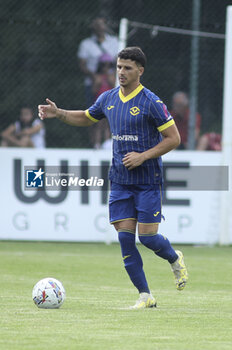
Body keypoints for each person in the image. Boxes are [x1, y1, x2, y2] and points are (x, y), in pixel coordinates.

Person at [38, 47, 188, 309]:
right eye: (119, 66)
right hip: (119, 180)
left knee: (149, 238)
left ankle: (175, 258)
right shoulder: (108, 98)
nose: (121, 72)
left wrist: (143, 156)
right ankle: (145, 295)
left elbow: (173, 138)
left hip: (147, 180)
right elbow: (87, 117)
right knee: (125, 239)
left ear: (140, 71)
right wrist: (60, 113)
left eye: (127, 68)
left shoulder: (151, 102)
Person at [77, 17, 119, 107]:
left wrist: (115, 75)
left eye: (102, 24)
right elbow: (82, 65)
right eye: (97, 25)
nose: (100, 28)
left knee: (112, 112)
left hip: (112, 82)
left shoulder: (114, 42)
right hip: (93, 83)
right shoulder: (86, 44)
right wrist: (93, 76)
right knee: (93, 112)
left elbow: (120, 62)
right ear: (93, 27)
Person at [91, 53, 115, 149]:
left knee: (108, 124)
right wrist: (97, 83)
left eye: (108, 64)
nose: (106, 67)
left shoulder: (112, 76)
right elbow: (93, 91)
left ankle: (107, 143)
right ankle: (97, 144)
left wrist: (109, 78)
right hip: (99, 103)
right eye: (104, 65)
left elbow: (114, 87)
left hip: (110, 103)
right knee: (99, 124)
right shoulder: (97, 77)